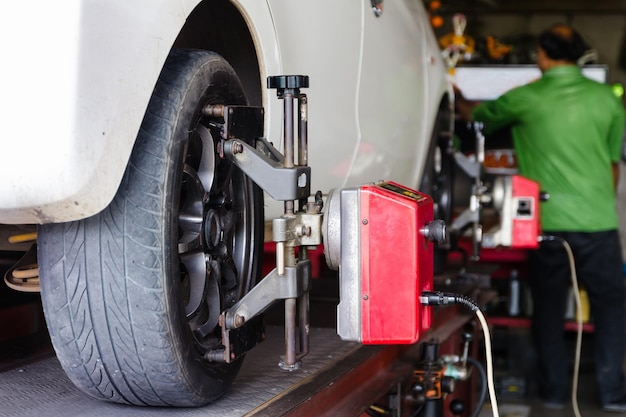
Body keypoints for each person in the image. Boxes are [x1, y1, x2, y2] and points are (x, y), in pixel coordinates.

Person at [455, 23, 626, 413]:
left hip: (546, 223)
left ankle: (552, 392)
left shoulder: (527, 97)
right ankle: (614, 395)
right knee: (611, 311)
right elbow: (614, 165)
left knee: (548, 311)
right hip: (599, 222)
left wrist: (455, 96)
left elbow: (476, 118)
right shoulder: (608, 100)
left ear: (543, 56)